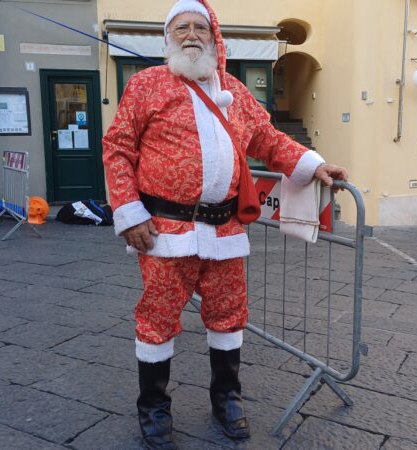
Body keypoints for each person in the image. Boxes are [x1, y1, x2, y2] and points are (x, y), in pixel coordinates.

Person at [102, 1, 348, 448]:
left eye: (200, 27)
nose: (191, 34)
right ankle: (154, 407)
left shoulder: (234, 89)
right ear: (168, 37)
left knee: (229, 318)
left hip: (225, 233)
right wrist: (129, 213)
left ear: (214, 38)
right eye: (182, 27)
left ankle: (227, 398)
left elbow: (269, 140)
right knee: (157, 320)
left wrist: (314, 166)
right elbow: (118, 149)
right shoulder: (145, 85)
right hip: (164, 232)